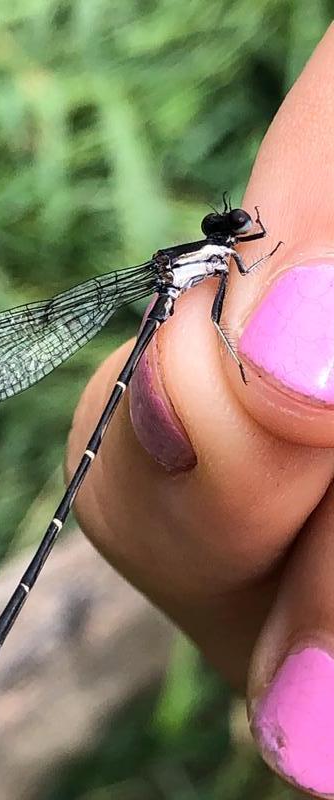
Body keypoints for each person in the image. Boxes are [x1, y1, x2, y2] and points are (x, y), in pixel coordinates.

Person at [68, 23, 334, 799]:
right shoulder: (193, 281)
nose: (232, 235)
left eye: (230, 233)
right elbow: (212, 327)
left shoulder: (223, 258)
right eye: (224, 235)